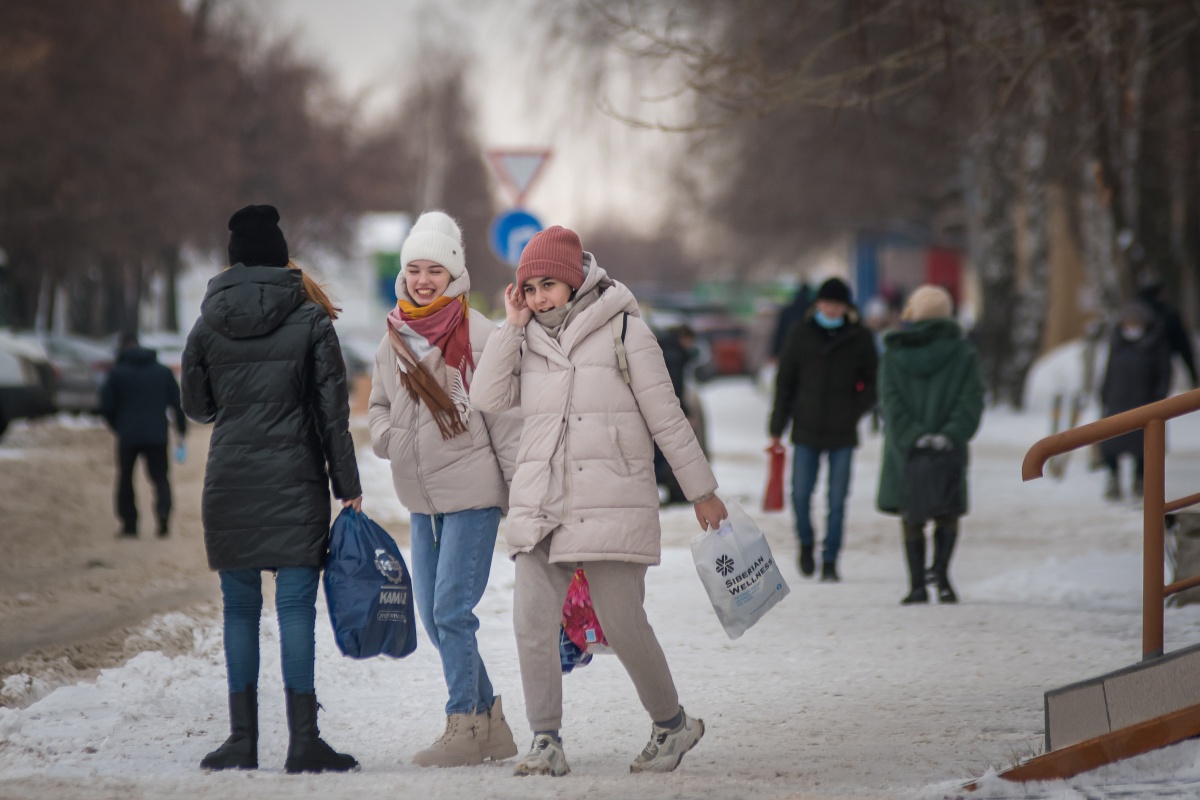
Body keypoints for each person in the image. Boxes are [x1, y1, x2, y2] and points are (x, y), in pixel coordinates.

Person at [470, 226, 728, 777]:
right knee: (531, 623)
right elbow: (487, 398)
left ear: (572, 280)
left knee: (622, 620)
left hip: (610, 497)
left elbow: (667, 415)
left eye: (548, 286)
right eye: (529, 288)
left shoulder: (625, 329)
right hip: (542, 501)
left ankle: (671, 724)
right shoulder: (525, 337)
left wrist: (701, 491)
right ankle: (545, 740)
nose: (539, 298)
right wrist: (511, 329)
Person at [182, 204, 361, 774]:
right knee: (293, 609)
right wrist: (347, 486)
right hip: (296, 477)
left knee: (238, 610)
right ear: (283, 256)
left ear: (233, 260)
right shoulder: (309, 317)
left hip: (230, 479)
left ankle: (241, 740)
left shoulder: (208, 320)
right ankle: (304, 740)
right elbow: (334, 412)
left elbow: (197, 406)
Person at [367, 210, 521, 768]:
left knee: (452, 610)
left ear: (454, 273)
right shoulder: (392, 336)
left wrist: (520, 496)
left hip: (473, 494)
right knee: (434, 617)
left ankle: (463, 723)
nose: (423, 279)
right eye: (414, 269)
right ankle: (492, 724)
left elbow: (505, 419)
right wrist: (388, 439)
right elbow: (378, 405)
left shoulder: (480, 334)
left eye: (435, 269)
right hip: (421, 497)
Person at [875, 285, 984, 605]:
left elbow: (890, 402)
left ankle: (917, 585)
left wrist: (912, 434)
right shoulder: (965, 355)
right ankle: (943, 576)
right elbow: (972, 401)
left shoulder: (894, 355)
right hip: (949, 447)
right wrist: (949, 434)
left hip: (904, 448)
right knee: (947, 509)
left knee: (912, 513)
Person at [769, 277, 877, 581]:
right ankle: (805, 543)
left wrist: (855, 409)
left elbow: (873, 381)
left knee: (837, 499)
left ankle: (830, 558)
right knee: (801, 495)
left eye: (838, 303)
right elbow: (785, 382)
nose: (832, 308)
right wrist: (777, 425)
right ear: (818, 303)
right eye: (827, 302)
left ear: (846, 306)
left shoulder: (859, 337)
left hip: (842, 430)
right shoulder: (801, 334)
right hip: (806, 427)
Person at [99, 332, 186, 538]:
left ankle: (129, 525)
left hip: (128, 435)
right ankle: (163, 520)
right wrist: (181, 430)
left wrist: (118, 425)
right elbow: (177, 403)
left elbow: (106, 406)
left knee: (126, 478)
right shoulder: (162, 372)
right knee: (160, 479)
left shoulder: (117, 373)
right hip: (157, 435)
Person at [1099, 301, 1172, 501]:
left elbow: (1164, 375)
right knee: (1110, 445)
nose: (1131, 327)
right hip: (1117, 402)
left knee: (1144, 446)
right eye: (1128, 323)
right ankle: (1113, 478)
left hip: (1145, 402)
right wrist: (1103, 395)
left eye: (1136, 323)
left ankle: (1140, 480)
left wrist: (1159, 400)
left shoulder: (1156, 346)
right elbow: (1108, 373)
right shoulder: (1117, 344)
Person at [1137, 279, 1197, 390]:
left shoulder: (1140, 314)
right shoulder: (1164, 314)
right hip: (1158, 365)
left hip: (1165, 362)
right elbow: (1182, 342)